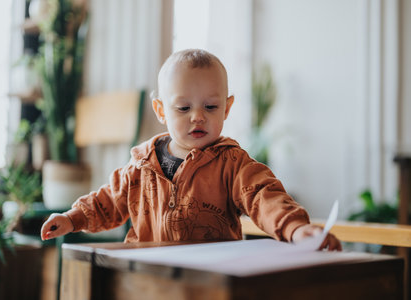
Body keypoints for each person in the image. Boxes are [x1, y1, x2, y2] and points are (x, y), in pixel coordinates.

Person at [40, 49, 341, 251]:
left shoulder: (233, 164)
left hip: (210, 278)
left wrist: (295, 229)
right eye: (183, 108)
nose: (198, 116)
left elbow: (265, 196)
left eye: (211, 107)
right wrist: (73, 218)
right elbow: (107, 200)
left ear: (227, 108)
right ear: (160, 110)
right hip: (146, 276)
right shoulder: (141, 165)